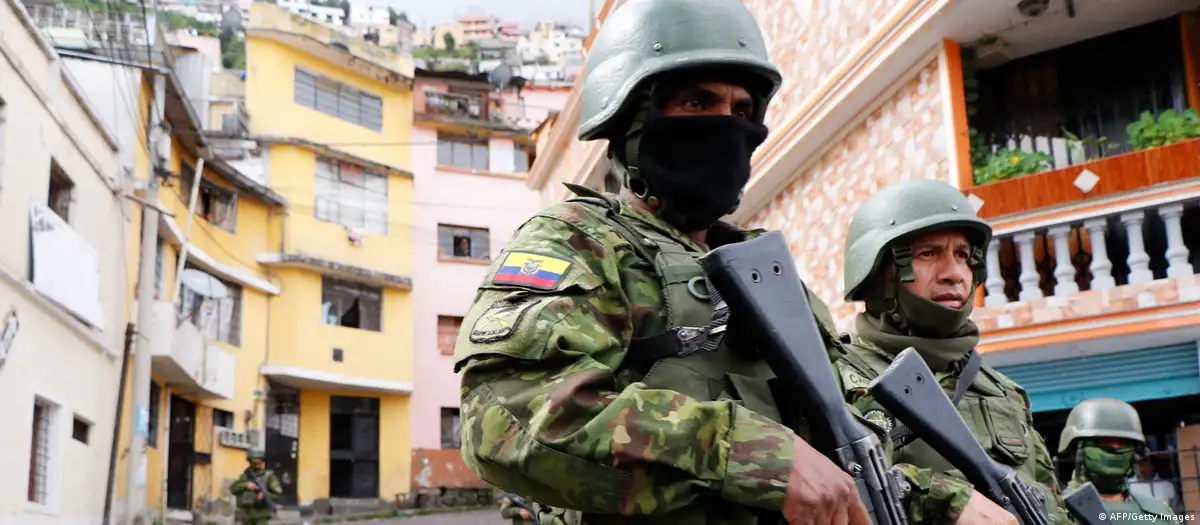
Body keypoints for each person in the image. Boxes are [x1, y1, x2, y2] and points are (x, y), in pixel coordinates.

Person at [454, 1, 987, 524]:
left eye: (742, 112)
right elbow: (508, 418)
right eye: (696, 103)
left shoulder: (772, 280)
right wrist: (754, 455)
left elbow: (844, 448)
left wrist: (941, 502)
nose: (726, 128)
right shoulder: (578, 241)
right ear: (631, 119)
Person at [833, 178, 1071, 525]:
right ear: (878, 272)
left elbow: (1051, 504)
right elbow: (831, 486)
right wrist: (942, 500)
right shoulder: (834, 374)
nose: (954, 273)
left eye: (963, 255)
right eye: (928, 254)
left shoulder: (1003, 392)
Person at [1059, 398, 1179, 524]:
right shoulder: (1056, 513)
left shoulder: (1160, 513)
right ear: (1078, 448)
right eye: (1105, 442)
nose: (1116, 448)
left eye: (1124, 443)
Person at [229, 449, 283, 525]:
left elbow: (277, 493)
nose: (256, 461)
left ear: (262, 460)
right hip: (246, 515)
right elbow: (233, 489)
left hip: (261, 515)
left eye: (259, 459)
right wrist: (246, 485)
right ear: (250, 460)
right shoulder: (245, 476)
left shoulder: (269, 476)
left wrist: (265, 495)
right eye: (254, 459)